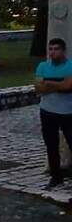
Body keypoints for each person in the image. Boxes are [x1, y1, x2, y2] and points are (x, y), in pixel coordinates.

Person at [35, 38, 72, 189]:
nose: (52, 52)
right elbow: (38, 88)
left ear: (63, 51)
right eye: (50, 49)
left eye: (56, 49)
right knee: (51, 145)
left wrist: (49, 83)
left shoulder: (70, 66)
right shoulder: (43, 66)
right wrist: (60, 85)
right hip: (47, 111)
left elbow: (68, 85)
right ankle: (56, 177)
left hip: (68, 112)